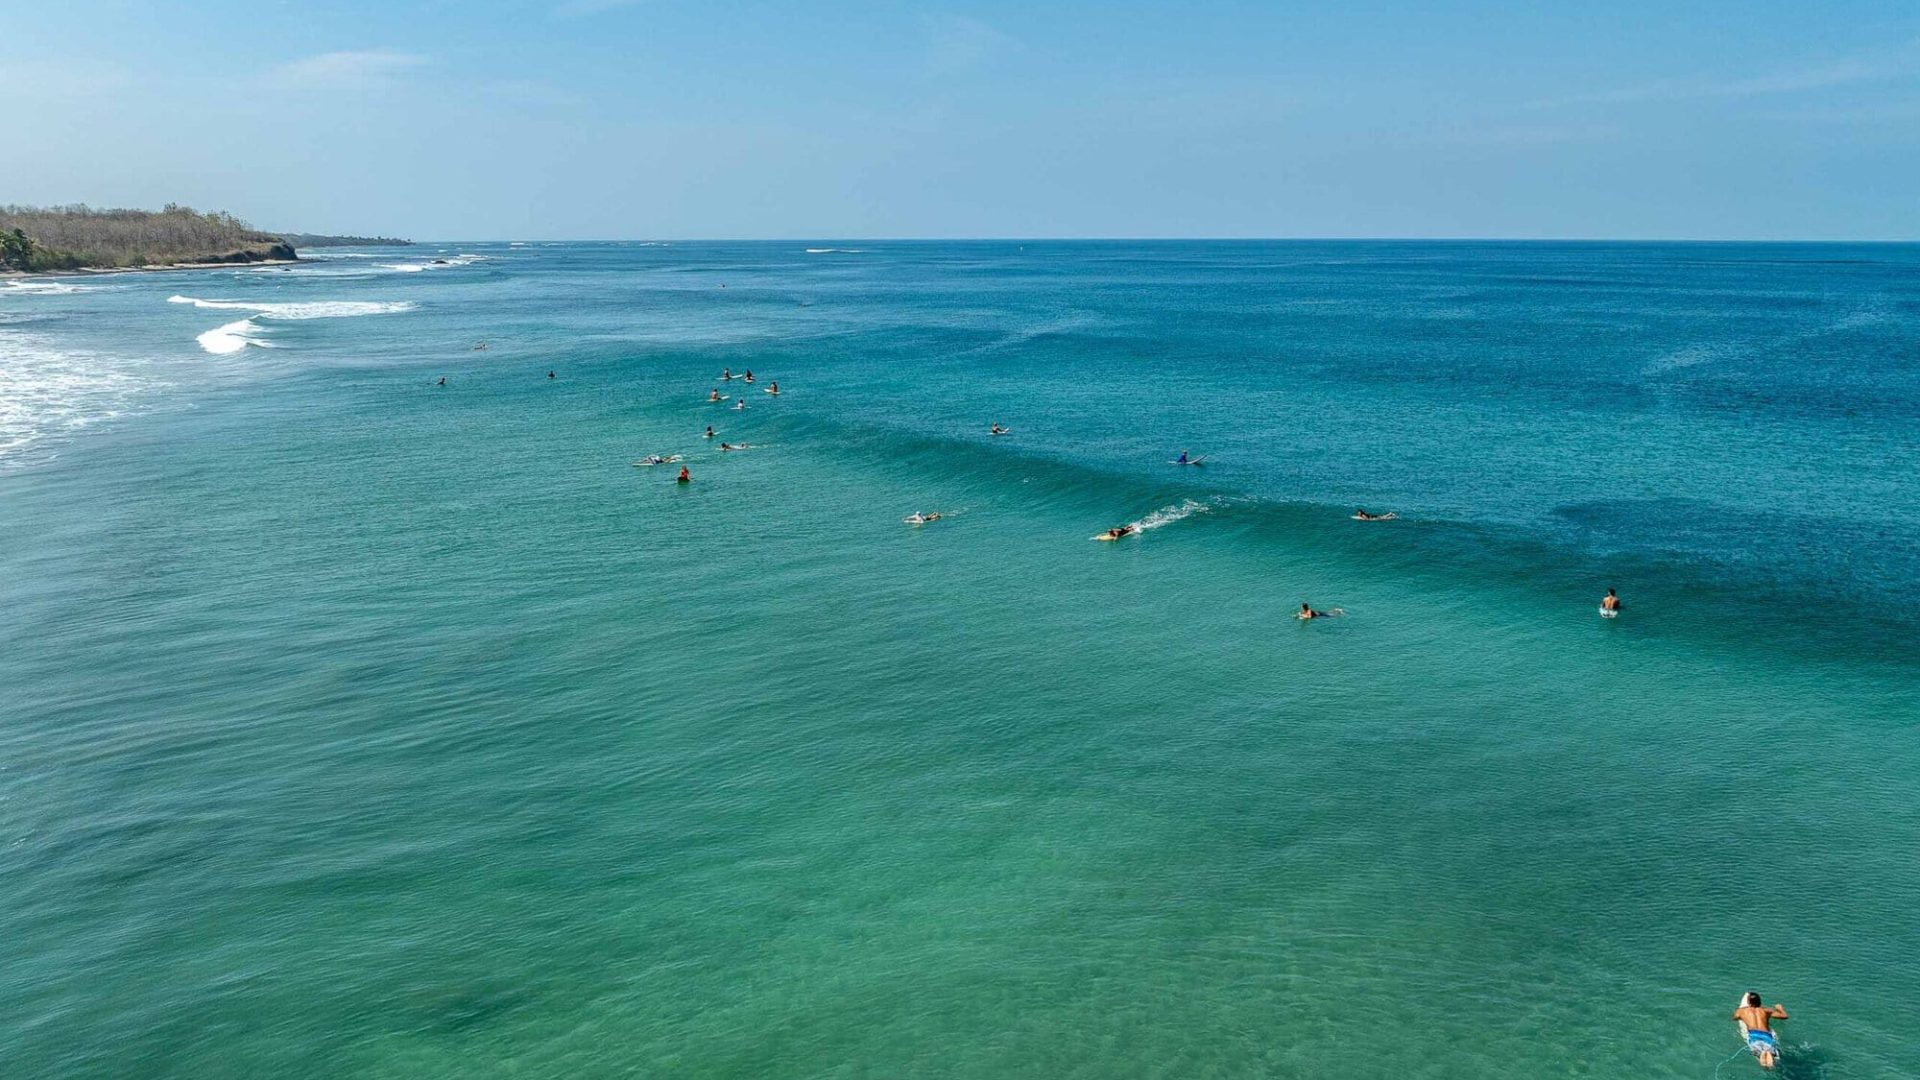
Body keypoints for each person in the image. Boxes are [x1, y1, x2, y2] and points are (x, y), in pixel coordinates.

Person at [1733, 992, 1788, 1069]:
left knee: (1757, 1053)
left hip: (1753, 1035)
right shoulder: (1766, 1010)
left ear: (1748, 1002)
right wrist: (1779, 1008)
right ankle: (1769, 1053)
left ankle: (1761, 1055)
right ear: (1760, 1002)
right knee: (1771, 1053)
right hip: (1766, 1035)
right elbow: (1784, 1016)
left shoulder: (1741, 1011)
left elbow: (1735, 1018)